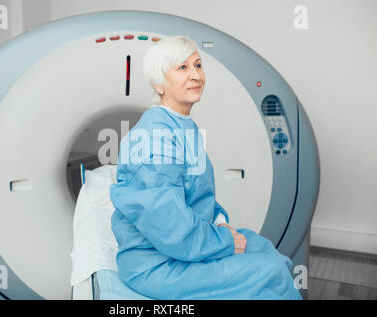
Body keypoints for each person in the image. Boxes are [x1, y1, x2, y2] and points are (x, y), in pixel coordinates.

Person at [109, 35, 302, 300]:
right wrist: (223, 242)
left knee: (263, 248)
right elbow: (168, 224)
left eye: (198, 65)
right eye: (182, 68)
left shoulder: (185, 127)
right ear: (159, 83)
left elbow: (198, 195)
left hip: (185, 245)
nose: (195, 75)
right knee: (271, 272)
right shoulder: (155, 136)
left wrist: (220, 223)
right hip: (155, 263)